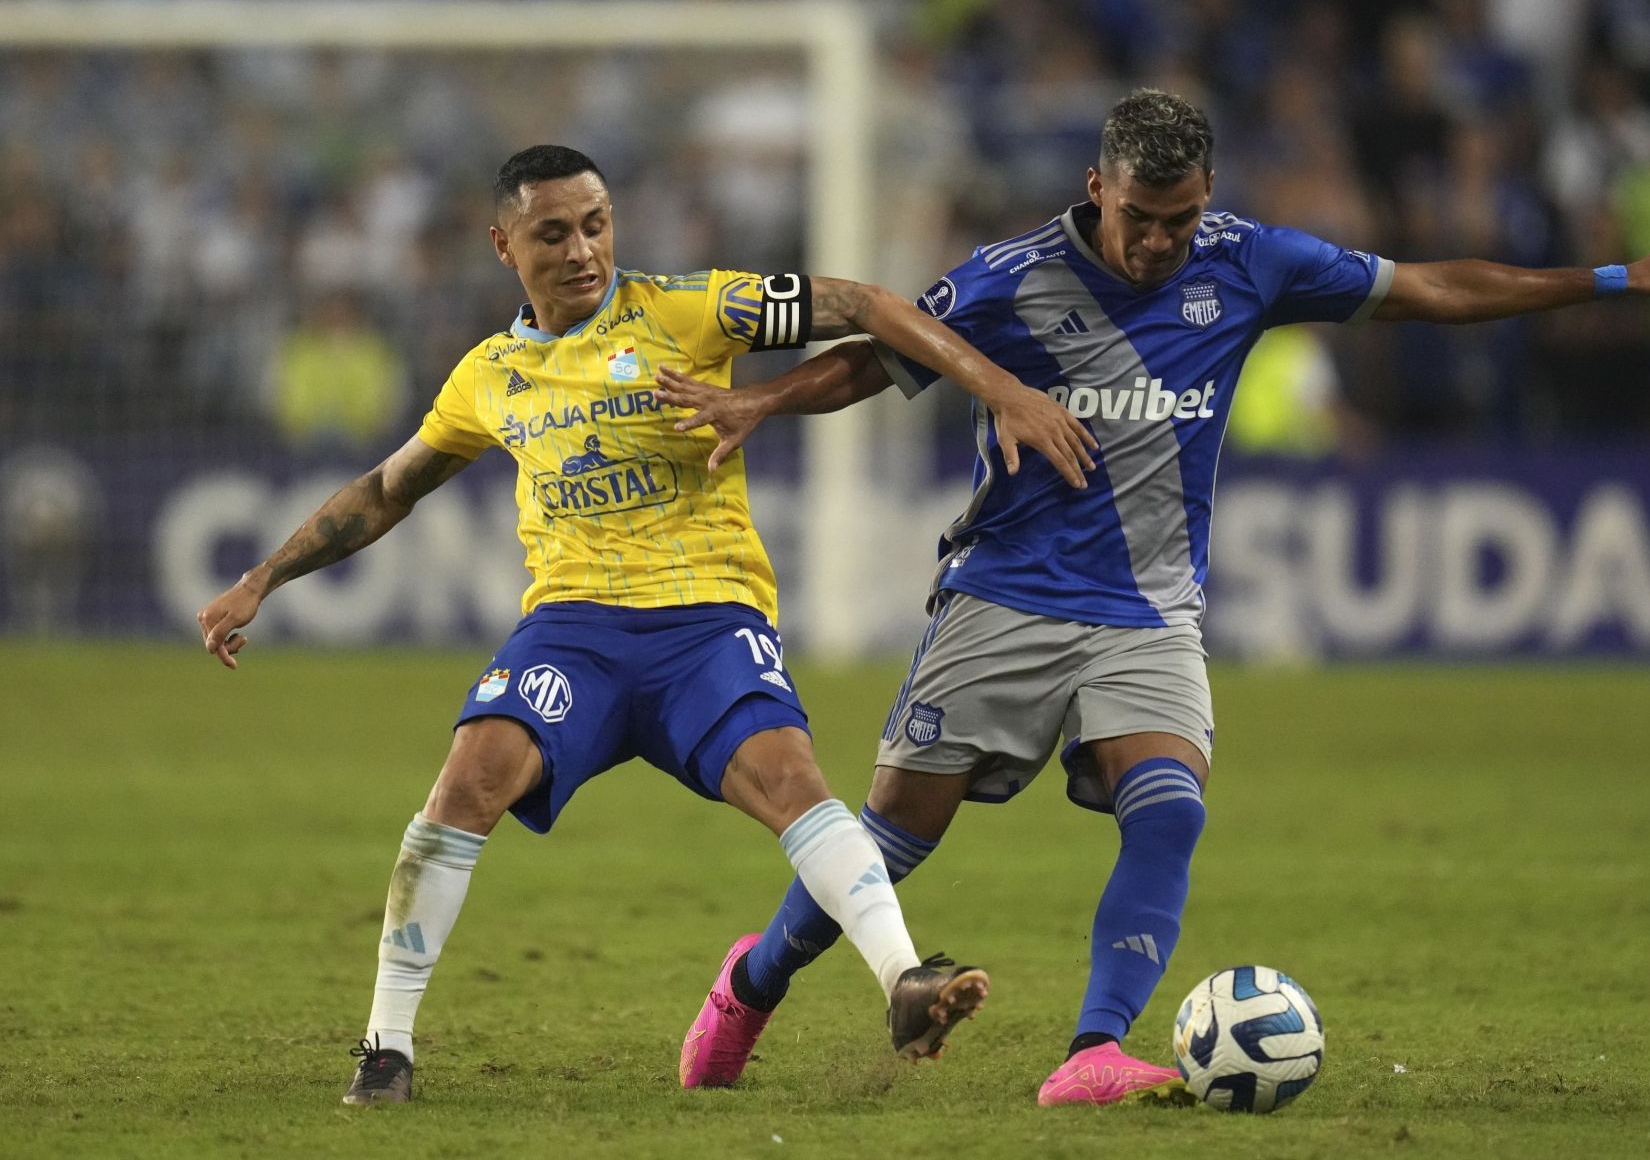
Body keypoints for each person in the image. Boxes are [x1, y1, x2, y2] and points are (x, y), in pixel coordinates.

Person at [661, 90, 1650, 1105]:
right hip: (1004, 595)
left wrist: (1614, 277)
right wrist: (763, 398)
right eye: (1137, 218)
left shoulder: (1252, 261)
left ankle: (1093, 1050)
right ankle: (749, 987)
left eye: (1179, 219)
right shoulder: (1013, 277)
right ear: (1095, 187)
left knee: (1168, 809)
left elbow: (1432, 291)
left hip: (1150, 609)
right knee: (893, 836)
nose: (1158, 242)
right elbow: (877, 360)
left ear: (1208, 193)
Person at [193, 145, 1100, 1106]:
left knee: (794, 780)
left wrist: (998, 388)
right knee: (468, 779)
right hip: (573, 633)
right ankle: (385, 1047)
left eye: (597, 223)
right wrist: (263, 576)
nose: (583, 248)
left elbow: (872, 308)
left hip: (706, 621)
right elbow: (385, 488)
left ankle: (906, 980)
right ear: (504, 245)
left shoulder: (689, 308)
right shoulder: (489, 374)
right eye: (554, 232)